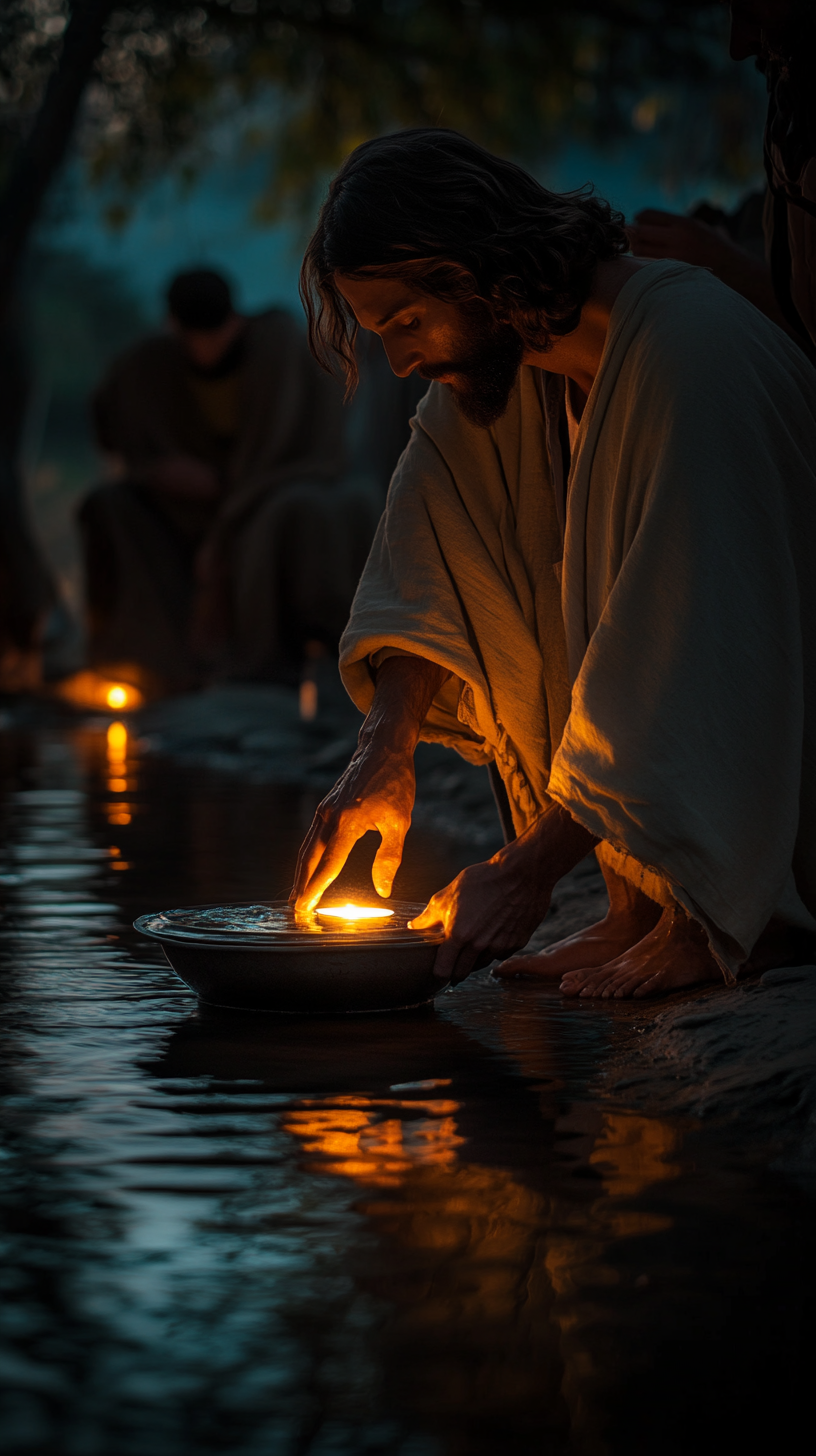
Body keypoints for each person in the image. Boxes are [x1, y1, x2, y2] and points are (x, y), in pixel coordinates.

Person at [290, 127, 816, 999]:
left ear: (477, 268)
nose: (401, 359)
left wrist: (528, 871)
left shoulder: (692, 354)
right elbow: (429, 550)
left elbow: (686, 652)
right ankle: (642, 906)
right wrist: (382, 751)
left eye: (408, 321)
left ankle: (730, 913)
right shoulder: (515, 371)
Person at [81, 268, 377, 688]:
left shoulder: (281, 351)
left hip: (269, 487)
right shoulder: (148, 365)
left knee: (298, 516)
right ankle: (146, 666)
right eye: (192, 338)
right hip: (183, 504)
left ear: (234, 320)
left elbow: (309, 447)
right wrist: (160, 473)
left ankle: (266, 666)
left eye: (215, 334)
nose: (205, 348)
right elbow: (117, 431)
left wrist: (225, 490)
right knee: (110, 506)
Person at [629, 1, 816, 350]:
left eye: (753, 15)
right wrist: (713, 233)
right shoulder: (790, 103)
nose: (736, 48)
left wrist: (724, 265)